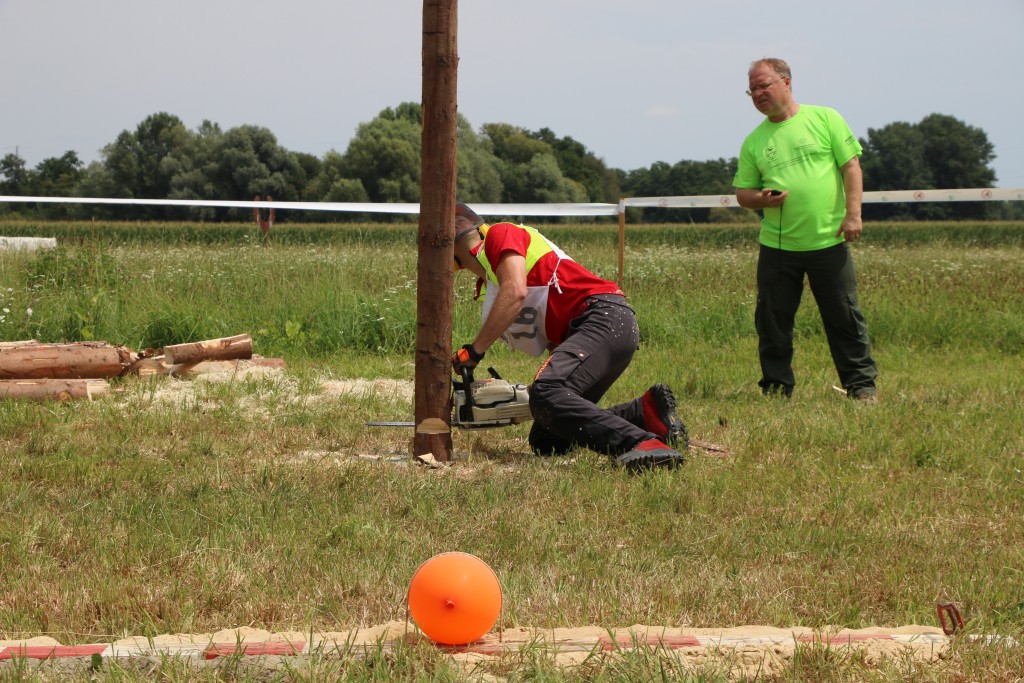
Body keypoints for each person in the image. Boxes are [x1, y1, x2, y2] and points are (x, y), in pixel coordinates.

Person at [449, 202, 688, 470]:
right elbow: (550, 338)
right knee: (548, 439)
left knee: (547, 392)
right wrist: (542, 399)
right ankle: (644, 413)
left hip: (602, 317)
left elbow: (515, 292)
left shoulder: (500, 233)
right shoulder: (491, 282)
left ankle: (643, 445)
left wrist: (474, 352)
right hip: (601, 326)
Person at [733, 58, 878, 402]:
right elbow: (743, 194)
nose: (758, 94)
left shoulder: (825, 118)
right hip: (778, 247)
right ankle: (776, 388)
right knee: (772, 320)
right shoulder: (754, 141)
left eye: (763, 85)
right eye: (752, 90)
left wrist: (853, 215)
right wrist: (763, 199)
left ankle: (861, 387)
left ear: (786, 82)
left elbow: (851, 166)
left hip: (829, 240)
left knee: (844, 316)